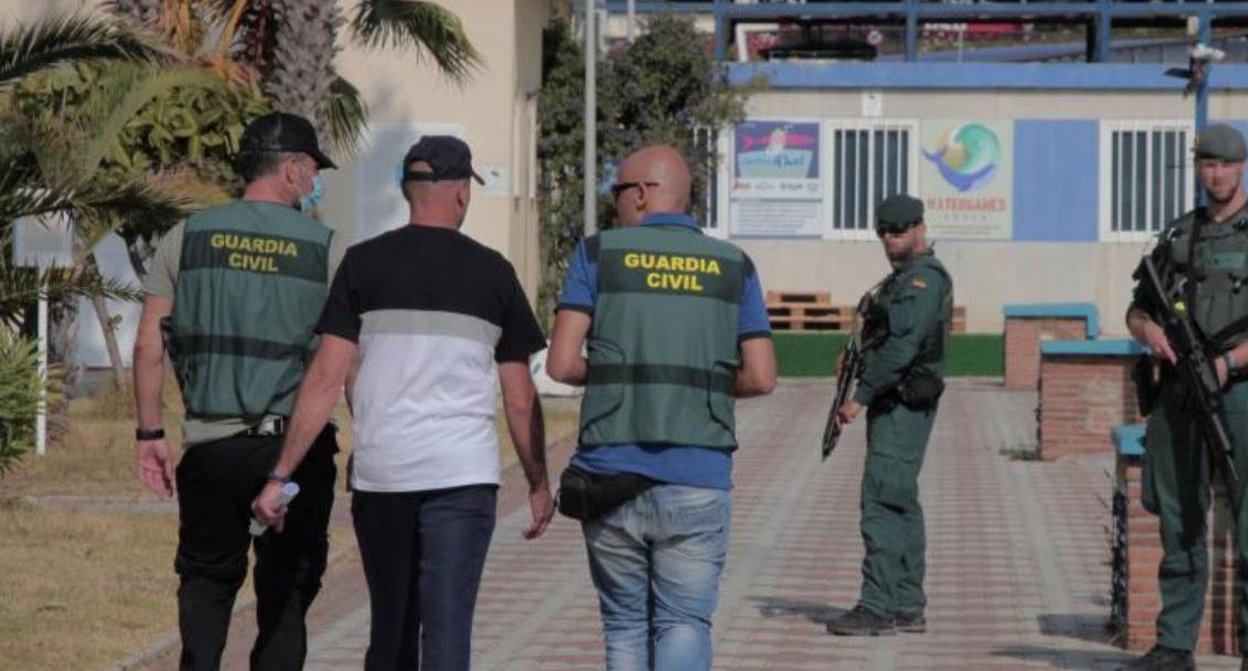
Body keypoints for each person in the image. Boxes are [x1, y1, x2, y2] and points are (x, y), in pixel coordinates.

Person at [253, 135, 555, 671]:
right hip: (463, 478)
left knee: (390, 628)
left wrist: (280, 475)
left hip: (383, 476)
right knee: (447, 632)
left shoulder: (363, 265)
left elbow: (325, 377)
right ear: (461, 193)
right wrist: (537, 483)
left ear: (406, 190)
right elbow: (520, 396)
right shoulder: (494, 273)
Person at [547, 144, 777, 671]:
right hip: (698, 476)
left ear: (644, 194)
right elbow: (763, 377)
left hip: (609, 475)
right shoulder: (735, 265)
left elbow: (560, 365)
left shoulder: (596, 254)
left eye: (619, 192)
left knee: (625, 626)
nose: (615, 205)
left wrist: (617, 375)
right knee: (684, 623)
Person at [132, 111, 341, 670]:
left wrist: (149, 432)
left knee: (205, 586)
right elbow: (341, 360)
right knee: (286, 595)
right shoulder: (326, 248)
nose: (317, 180)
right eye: (315, 168)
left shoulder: (186, 236)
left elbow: (148, 345)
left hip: (211, 446)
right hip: (295, 453)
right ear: (293, 168)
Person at [1122, 124, 1248, 671]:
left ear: (1241, 167)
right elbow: (1138, 308)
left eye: (1223, 164)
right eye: (1206, 164)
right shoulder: (1177, 236)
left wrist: (1228, 363)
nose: (1214, 173)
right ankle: (1175, 645)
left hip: (1240, 392)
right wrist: (1149, 333)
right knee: (1179, 519)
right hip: (1180, 394)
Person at [825, 193, 953, 638]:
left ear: (919, 227)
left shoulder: (923, 280)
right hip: (895, 400)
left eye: (897, 231)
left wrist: (859, 397)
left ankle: (877, 605)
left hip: (901, 402)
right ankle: (905, 603)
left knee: (881, 500)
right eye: (883, 233)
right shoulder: (903, 278)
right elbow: (883, 336)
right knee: (900, 499)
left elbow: (902, 348)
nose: (889, 240)